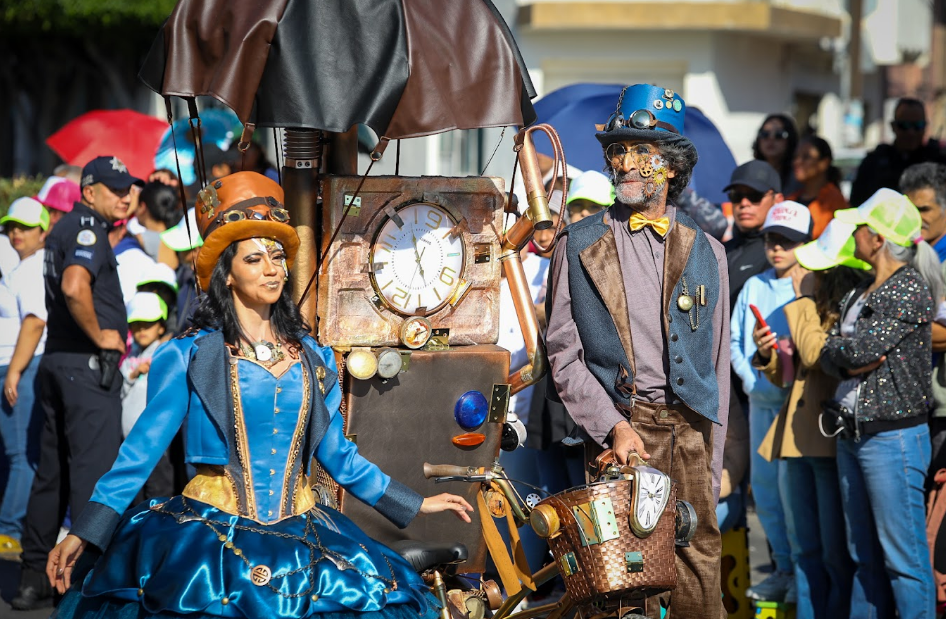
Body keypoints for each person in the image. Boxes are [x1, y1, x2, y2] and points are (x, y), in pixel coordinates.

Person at [46, 171, 472, 619]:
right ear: (226, 274)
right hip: (209, 541)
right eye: (253, 259)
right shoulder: (189, 356)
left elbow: (339, 456)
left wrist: (414, 501)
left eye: (277, 256)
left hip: (303, 533)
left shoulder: (314, 359)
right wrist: (86, 530)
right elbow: (140, 451)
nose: (272, 268)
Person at [545, 84, 730, 619]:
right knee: (620, 584)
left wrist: (713, 469)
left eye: (639, 151)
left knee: (698, 580)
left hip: (690, 431)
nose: (623, 163)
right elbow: (564, 354)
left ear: (670, 166)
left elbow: (715, 369)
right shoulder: (577, 243)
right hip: (623, 435)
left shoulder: (709, 250)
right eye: (616, 151)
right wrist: (611, 426)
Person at [11, 156, 140, 610]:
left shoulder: (66, 227)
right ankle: (85, 583)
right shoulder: (86, 227)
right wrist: (103, 334)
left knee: (52, 475)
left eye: (128, 188)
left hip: (58, 363)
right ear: (88, 191)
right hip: (85, 368)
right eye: (114, 188)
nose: (125, 195)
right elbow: (73, 285)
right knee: (92, 475)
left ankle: (33, 579)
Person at [821, 188, 942, 618]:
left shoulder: (907, 287)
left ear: (877, 237)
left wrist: (837, 349)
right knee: (864, 557)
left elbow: (854, 353)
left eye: (860, 227)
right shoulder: (863, 288)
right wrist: (839, 350)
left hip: (892, 440)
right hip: (857, 436)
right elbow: (843, 354)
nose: (853, 233)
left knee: (903, 562)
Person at [753, 219, 868, 619]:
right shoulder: (814, 304)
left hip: (824, 439)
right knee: (804, 547)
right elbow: (791, 373)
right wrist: (767, 353)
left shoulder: (843, 306)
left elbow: (819, 355)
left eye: (813, 269)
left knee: (833, 549)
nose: (804, 274)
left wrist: (801, 301)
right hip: (796, 439)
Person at [731, 200, 813, 603]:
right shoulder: (754, 285)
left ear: (805, 243)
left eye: (788, 240)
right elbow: (734, 341)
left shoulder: (812, 284)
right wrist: (751, 381)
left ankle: (803, 573)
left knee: (794, 495)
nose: (778, 248)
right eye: (771, 239)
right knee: (765, 492)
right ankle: (782, 568)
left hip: (796, 410)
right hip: (762, 406)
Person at [0, 198, 50, 559]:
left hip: (23, 366)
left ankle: (9, 531)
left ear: (42, 232)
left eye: (24, 227)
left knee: (21, 454)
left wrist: (15, 370)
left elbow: (35, 321)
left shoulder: (34, 269)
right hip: (12, 366)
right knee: (13, 452)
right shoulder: (21, 268)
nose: (16, 233)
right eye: (11, 227)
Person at [851, 98, 946, 207]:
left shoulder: (938, 162)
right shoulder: (874, 163)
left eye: (918, 126)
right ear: (893, 126)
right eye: (904, 126)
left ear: (925, 127)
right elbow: (857, 204)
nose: (911, 133)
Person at [723, 160, 785, 308]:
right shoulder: (719, 250)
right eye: (736, 196)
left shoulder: (784, 253)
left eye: (754, 195)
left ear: (778, 200)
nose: (744, 203)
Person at [788, 136, 847, 238]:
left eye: (806, 157)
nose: (797, 162)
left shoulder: (835, 202)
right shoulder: (790, 199)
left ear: (824, 163)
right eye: (795, 157)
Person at [753, 113, 801, 196]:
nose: (771, 138)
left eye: (779, 135)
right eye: (765, 134)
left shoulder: (799, 175)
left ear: (790, 140)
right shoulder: (750, 173)